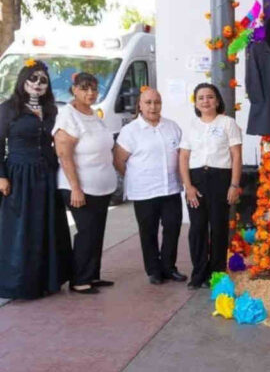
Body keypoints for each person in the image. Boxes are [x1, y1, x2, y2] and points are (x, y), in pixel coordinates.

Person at [0, 61, 72, 299]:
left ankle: (47, 280)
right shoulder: (8, 109)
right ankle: (21, 284)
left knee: (47, 226)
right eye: (33, 79)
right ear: (23, 81)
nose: (38, 84)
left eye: (43, 80)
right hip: (19, 175)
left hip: (47, 174)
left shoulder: (52, 109)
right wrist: (1, 176)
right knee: (22, 229)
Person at [114, 88, 187, 285]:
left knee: (172, 228)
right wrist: (135, 177)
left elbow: (181, 156)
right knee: (149, 232)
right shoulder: (130, 131)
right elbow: (119, 160)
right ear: (139, 105)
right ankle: (154, 270)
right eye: (148, 102)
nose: (153, 106)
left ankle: (169, 267)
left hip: (170, 189)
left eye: (157, 102)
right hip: (144, 191)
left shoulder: (172, 127)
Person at [53, 73, 118, 294]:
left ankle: (92, 275)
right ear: (74, 90)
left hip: (101, 187)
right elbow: (64, 154)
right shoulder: (68, 116)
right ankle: (79, 280)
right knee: (86, 232)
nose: (90, 93)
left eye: (94, 88)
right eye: (84, 88)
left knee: (96, 232)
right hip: (79, 188)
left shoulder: (92, 114)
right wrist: (75, 188)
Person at [179, 83, 242, 290]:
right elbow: (184, 157)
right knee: (197, 228)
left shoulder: (227, 123)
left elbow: (236, 155)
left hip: (220, 179)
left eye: (209, 97)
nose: (205, 101)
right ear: (195, 103)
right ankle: (198, 273)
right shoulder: (191, 125)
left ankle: (216, 273)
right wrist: (188, 186)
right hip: (196, 180)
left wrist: (234, 184)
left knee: (218, 227)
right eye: (201, 98)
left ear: (217, 100)